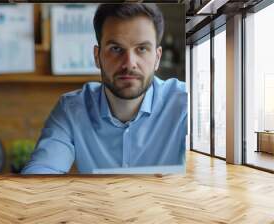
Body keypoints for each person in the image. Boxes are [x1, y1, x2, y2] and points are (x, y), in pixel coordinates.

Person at [22, 3, 187, 174]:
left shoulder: (185, 103)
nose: (130, 63)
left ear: (157, 58)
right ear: (97, 57)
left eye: (142, 49)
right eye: (116, 49)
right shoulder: (72, 109)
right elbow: (41, 172)